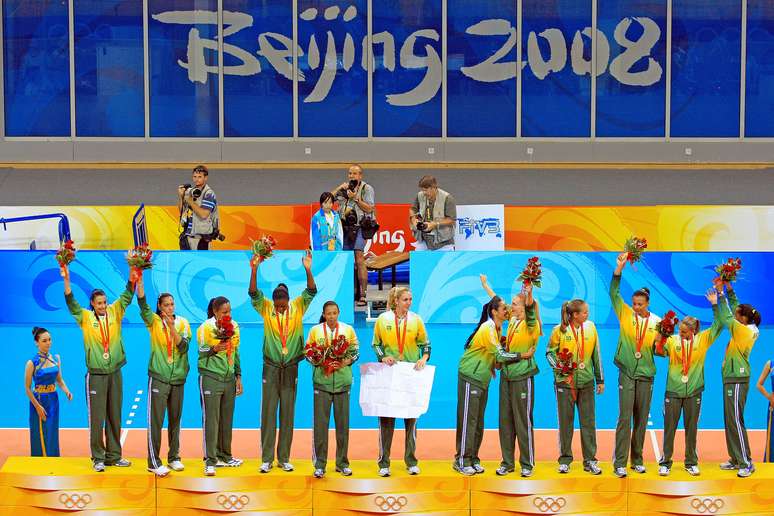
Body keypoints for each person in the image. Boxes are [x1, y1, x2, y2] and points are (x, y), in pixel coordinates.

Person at [249, 250, 317, 473]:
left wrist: (308, 268)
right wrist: (254, 268)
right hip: (270, 367)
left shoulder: (298, 306)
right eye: (277, 304)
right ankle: (267, 458)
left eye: (282, 304)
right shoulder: (266, 308)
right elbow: (253, 293)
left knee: (287, 413)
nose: (279, 307)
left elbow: (312, 291)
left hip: (291, 368)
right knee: (268, 413)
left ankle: (284, 457)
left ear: (288, 300)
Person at [62, 263, 135, 471]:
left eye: (104, 302)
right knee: (97, 417)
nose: (103, 306)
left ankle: (114, 455)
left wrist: (132, 276)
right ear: (92, 304)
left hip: (115, 372)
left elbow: (128, 296)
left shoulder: (115, 312)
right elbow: (71, 302)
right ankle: (98, 457)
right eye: (99, 303)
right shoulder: (85, 318)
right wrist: (66, 279)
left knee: (114, 414)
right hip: (95, 375)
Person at [454, 296, 534, 476]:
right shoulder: (488, 328)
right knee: (468, 420)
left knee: (478, 422)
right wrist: (523, 355)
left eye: (508, 308)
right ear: (494, 312)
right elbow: (499, 355)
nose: (507, 311)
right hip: (470, 376)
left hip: (482, 379)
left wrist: (492, 364)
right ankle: (461, 461)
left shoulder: (497, 328)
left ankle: (473, 459)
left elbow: (495, 356)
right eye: (504, 309)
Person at [654, 290, 724, 476]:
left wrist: (715, 305)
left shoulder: (703, 340)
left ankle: (691, 462)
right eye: (680, 330)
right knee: (669, 429)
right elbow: (657, 350)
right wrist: (662, 332)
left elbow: (718, 325)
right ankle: (666, 462)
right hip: (673, 392)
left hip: (694, 392)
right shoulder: (673, 340)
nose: (681, 334)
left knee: (691, 429)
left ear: (693, 331)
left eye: (684, 332)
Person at [480, 275, 542, 477]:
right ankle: (507, 462)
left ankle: (527, 463)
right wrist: (486, 286)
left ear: (525, 308)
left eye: (515, 304)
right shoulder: (513, 320)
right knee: (505, 421)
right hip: (506, 376)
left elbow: (532, 310)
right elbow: (497, 302)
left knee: (522, 421)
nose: (511, 307)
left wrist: (529, 292)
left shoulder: (532, 325)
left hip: (522, 377)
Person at [609, 252, 662, 477]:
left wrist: (664, 341)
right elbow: (613, 293)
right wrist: (618, 270)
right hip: (627, 372)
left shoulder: (658, 322)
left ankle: (637, 459)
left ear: (648, 303)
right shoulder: (625, 314)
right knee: (625, 417)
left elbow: (661, 351)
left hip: (647, 374)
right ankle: (619, 462)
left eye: (640, 304)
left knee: (641, 419)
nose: (636, 307)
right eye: (634, 303)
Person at [371, 286, 430, 477]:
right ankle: (383, 463)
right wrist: (382, 358)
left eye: (411, 299)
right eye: (405, 299)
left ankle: (411, 461)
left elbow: (426, 344)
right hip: (389, 373)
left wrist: (424, 358)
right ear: (396, 301)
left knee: (411, 419)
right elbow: (376, 345)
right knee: (386, 420)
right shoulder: (383, 319)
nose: (409, 303)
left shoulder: (416, 320)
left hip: (410, 374)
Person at [137, 275, 192, 477]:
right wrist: (140, 283)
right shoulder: (153, 322)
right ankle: (153, 461)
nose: (170, 307)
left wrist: (171, 327)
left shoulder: (184, 324)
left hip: (178, 378)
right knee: (156, 421)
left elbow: (184, 347)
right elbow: (142, 305)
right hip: (159, 377)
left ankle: (174, 457)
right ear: (160, 307)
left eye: (172, 304)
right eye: (166, 305)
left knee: (175, 420)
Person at [546, 299, 604, 475]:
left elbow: (597, 355)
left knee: (588, 423)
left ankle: (590, 460)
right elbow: (549, 353)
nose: (588, 315)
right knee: (566, 423)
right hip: (565, 383)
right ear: (575, 315)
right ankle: (565, 460)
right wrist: (559, 367)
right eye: (585, 312)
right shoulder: (559, 331)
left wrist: (600, 380)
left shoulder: (591, 328)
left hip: (586, 382)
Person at [305, 301, 359, 478]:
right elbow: (308, 353)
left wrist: (345, 362)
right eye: (328, 313)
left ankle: (342, 463)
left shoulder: (348, 330)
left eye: (335, 313)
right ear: (324, 314)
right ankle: (320, 464)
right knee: (321, 426)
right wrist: (320, 361)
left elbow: (355, 351)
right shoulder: (315, 331)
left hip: (343, 382)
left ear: (339, 313)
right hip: (322, 382)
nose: (332, 316)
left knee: (343, 426)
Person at [716, 282, 761, 477]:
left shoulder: (744, 331)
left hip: (738, 378)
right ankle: (735, 459)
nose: (735, 316)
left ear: (743, 319)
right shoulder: (746, 325)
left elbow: (726, 316)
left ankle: (746, 462)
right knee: (730, 420)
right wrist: (730, 289)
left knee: (736, 419)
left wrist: (719, 293)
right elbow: (735, 309)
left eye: (737, 315)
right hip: (731, 377)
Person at [198, 296, 243, 476]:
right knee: (212, 419)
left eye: (229, 311)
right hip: (210, 377)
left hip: (229, 378)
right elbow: (200, 351)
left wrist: (238, 376)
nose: (228, 314)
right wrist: (214, 349)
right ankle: (210, 460)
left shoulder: (234, 326)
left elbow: (236, 352)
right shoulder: (206, 328)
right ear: (215, 311)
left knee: (226, 419)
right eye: (224, 312)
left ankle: (225, 455)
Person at [25, 327, 72, 457]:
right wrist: (37, 406)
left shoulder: (55, 359)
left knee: (52, 431)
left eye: (50, 340)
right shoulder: (31, 363)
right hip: (39, 400)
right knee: (40, 432)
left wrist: (67, 391)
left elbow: (60, 380)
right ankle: (41, 461)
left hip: (53, 400)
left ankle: (53, 459)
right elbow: (27, 388)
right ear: (37, 342)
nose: (48, 343)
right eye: (44, 340)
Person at [332, 164, 375, 306]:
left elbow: (369, 209)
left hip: (360, 227)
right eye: (350, 173)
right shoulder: (344, 189)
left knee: (359, 258)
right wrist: (339, 188)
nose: (352, 176)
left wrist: (355, 198)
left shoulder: (367, 189)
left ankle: (363, 294)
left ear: (360, 175)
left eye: (355, 173)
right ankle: (344, 291)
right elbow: (328, 199)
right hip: (343, 227)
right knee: (343, 258)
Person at [178, 164, 220, 250]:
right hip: (188, 236)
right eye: (195, 176)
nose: (196, 179)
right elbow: (182, 211)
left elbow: (204, 214)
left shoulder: (208, 194)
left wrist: (190, 201)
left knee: (202, 263)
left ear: (205, 178)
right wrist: (181, 197)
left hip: (201, 239)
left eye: (199, 177)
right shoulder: (191, 191)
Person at [409, 175, 457, 251]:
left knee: (443, 262)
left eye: (426, 190)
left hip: (443, 241)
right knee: (419, 260)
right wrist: (414, 219)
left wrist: (434, 224)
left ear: (434, 188)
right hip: (424, 239)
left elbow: (451, 219)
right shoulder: (419, 195)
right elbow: (413, 209)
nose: (424, 193)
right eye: (422, 190)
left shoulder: (447, 198)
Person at [755, 358, 774, 462]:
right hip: (773, 408)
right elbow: (759, 384)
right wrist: (769, 397)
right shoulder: (770, 364)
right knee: (772, 439)